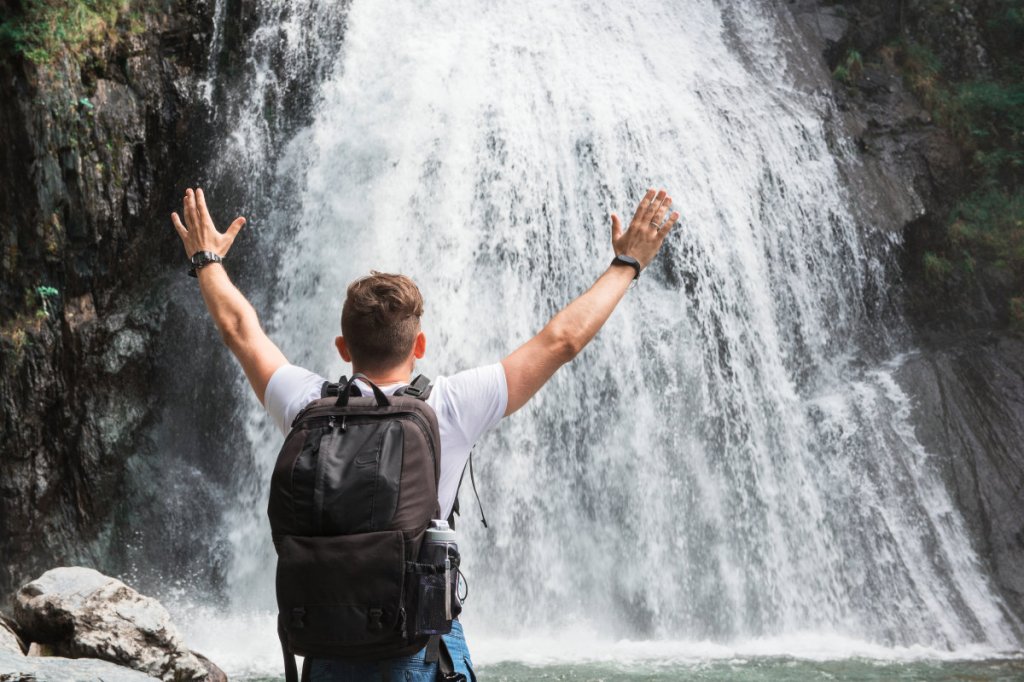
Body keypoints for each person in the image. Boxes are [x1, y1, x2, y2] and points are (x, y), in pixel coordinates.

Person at [171, 186, 680, 680]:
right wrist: (626, 264)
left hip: (328, 644)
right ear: (420, 344)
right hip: (421, 647)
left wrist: (206, 260)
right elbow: (561, 341)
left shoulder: (306, 403)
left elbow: (240, 329)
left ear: (343, 347)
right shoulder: (450, 405)